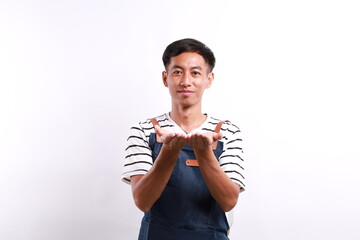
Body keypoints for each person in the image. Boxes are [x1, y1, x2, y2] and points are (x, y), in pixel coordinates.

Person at [122, 38, 245, 240]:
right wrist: (168, 152)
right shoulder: (144, 130)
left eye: (195, 73)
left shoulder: (227, 132)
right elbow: (142, 201)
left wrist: (204, 153)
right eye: (177, 72)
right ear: (165, 78)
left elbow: (229, 200)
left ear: (209, 79)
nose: (186, 81)